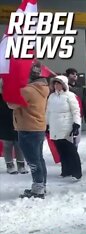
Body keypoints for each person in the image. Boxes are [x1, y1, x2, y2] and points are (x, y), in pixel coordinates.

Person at [8, 62, 49, 199]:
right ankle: (42, 185)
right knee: (38, 158)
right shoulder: (42, 88)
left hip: (27, 128)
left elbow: (11, 104)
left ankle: (38, 188)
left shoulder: (27, 90)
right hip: (38, 127)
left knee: (32, 160)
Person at [46, 75, 82, 181]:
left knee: (70, 150)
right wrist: (46, 124)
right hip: (54, 126)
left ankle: (76, 171)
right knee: (61, 150)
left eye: (59, 83)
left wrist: (76, 123)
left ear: (64, 85)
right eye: (55, 83)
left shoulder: (70, 96)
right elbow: (48, 111)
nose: (56, 85)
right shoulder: (51, 96)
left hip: (66, 125)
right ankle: (66, 170)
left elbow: (76, 110)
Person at [0, 81, 28, 174]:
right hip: (3, 122)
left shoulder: (17, 94)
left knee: (19, 143)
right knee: (7, 144)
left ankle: (21, 164)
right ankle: (10, 165)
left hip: (17, 120)